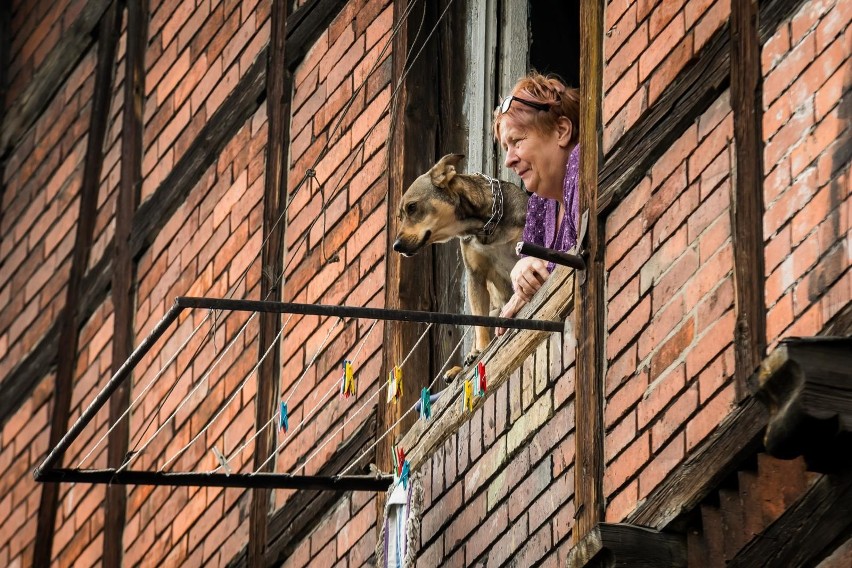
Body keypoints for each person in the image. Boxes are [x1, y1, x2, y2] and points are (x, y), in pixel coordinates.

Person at [493, 72, 581, 330]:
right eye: (506, 149)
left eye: (517, 141)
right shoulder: (540, 205)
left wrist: (541, 272)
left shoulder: (581, 161)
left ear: (561, 131)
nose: (509, 160)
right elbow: (531, 289)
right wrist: (523, 274)